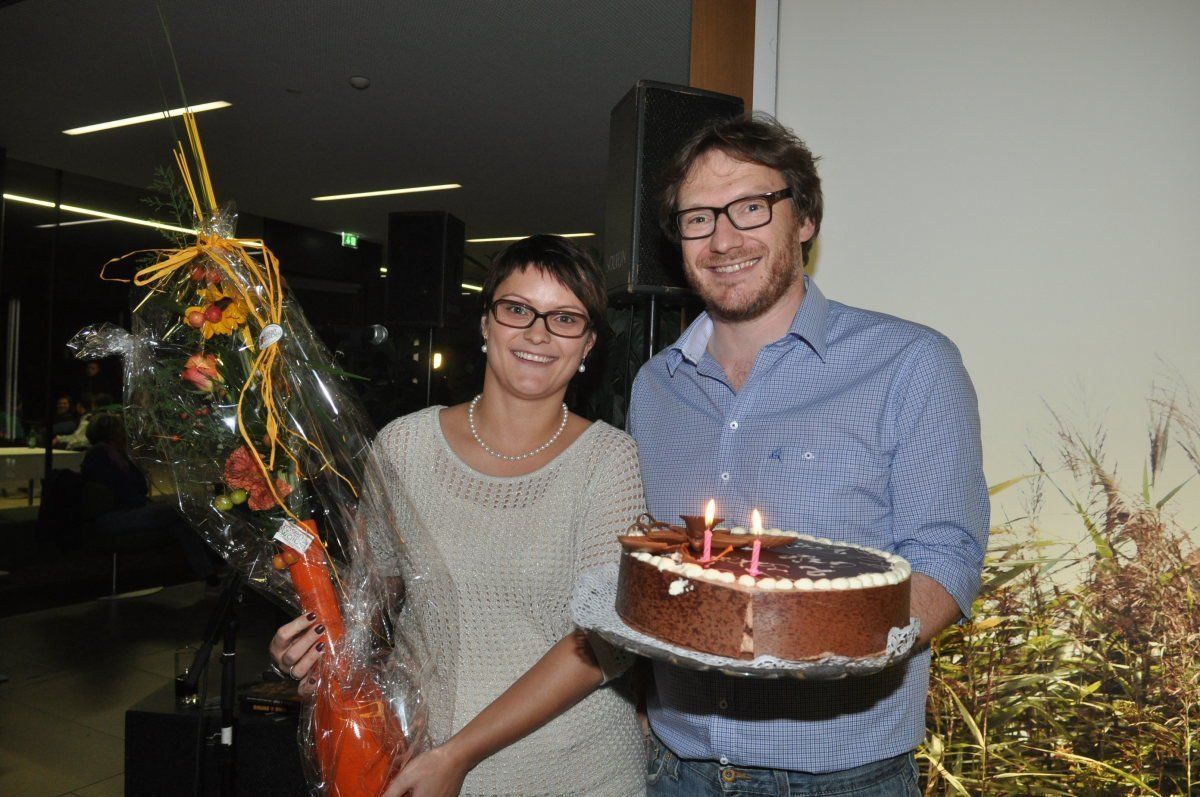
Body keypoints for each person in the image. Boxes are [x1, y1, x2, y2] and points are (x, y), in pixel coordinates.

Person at [627, 114, 989, 795]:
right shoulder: (655, 388)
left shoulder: (910, 364)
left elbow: (947, 557)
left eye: (751, 207)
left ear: (805, 219)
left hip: (843, 778)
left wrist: (817, 642)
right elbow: (660, 570)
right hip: (679, 770)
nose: (723, 238)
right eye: (698, 218)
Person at [270, 235, 646, 797]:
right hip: (417, 764)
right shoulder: (404, 446)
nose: (538, 333)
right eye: (518, 309)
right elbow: (374, 594)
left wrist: (459, 754)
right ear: (486, 322)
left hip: (577, 774)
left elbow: (605, 645)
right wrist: (317, 649)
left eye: (565, 319)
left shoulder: (609, 462)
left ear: (588, 343)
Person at [81, 413, 221, 585]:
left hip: (129, 509)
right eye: (121, 428)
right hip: (113, 516)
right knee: (179, 510)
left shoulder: (119, 455)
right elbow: (119, 489)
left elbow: (140, 486)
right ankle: (215, 558)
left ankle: (209, 575)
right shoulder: (99, 455)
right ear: (113, 432)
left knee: (181, 525)